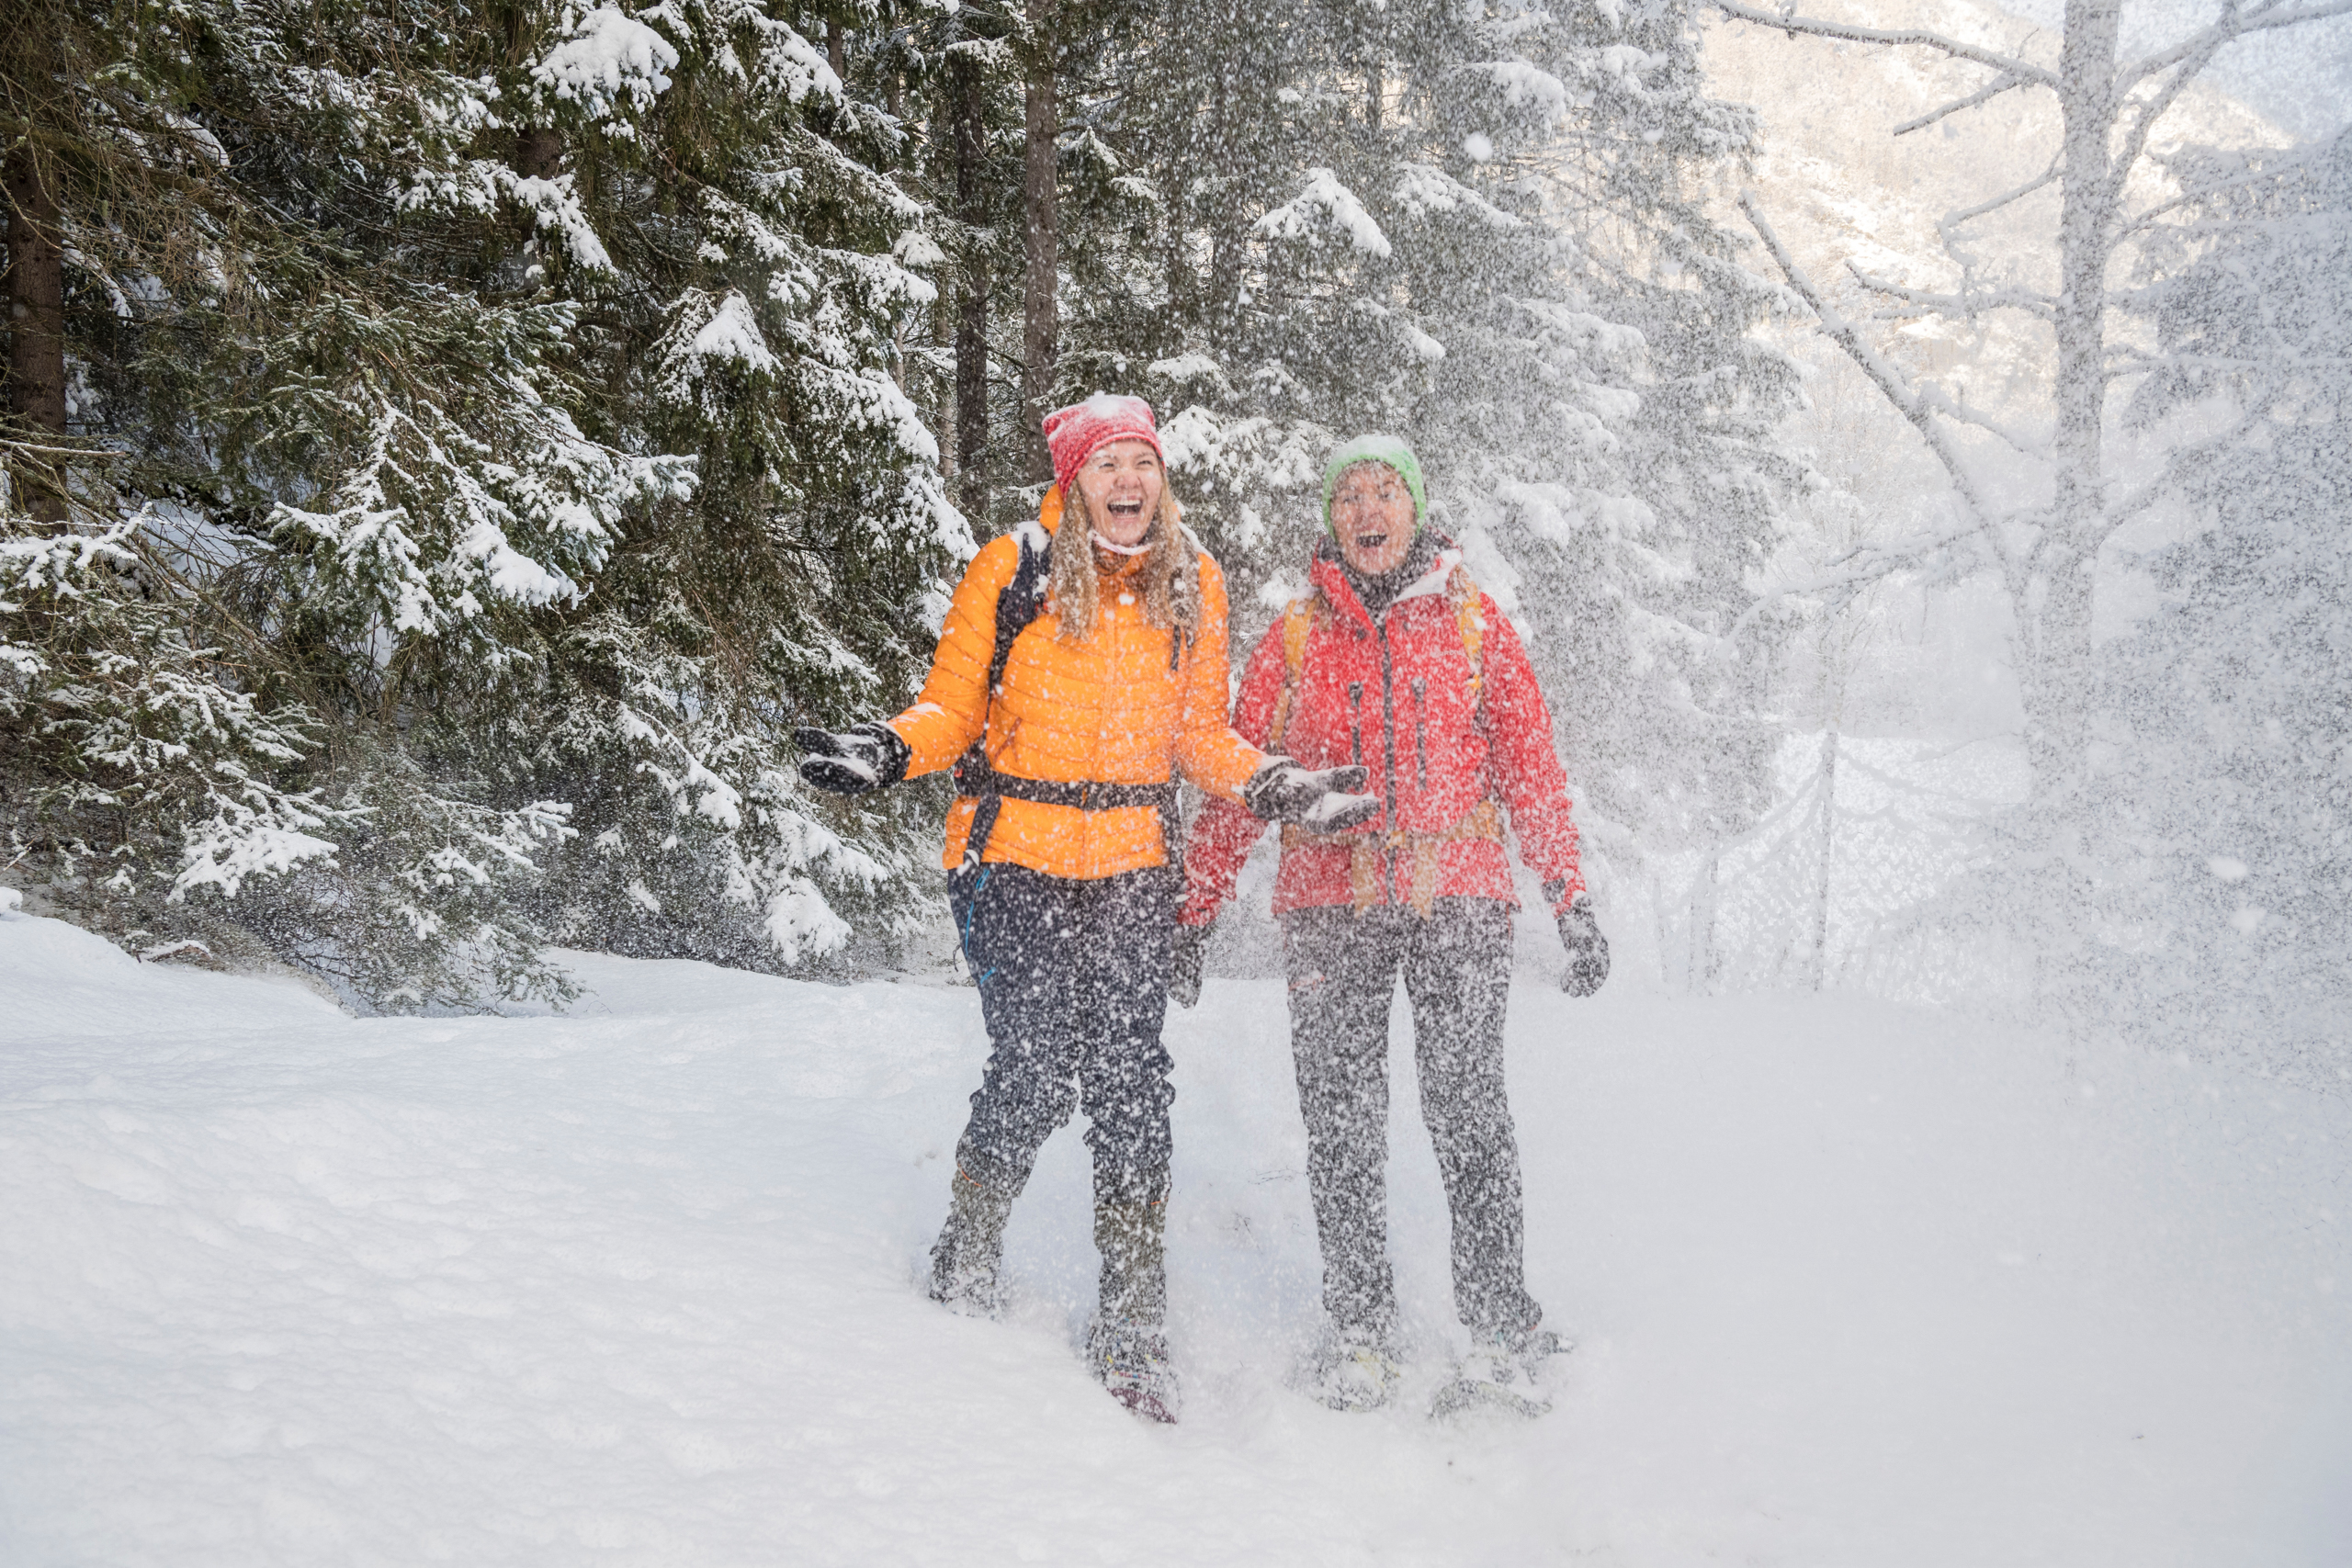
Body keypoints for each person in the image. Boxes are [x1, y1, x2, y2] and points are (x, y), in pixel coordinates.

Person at [795, 395, 1375, 1423]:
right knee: (1033, 1061)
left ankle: (1134, 1315)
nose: (1127, 481)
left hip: (1131, 865)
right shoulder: (1012, 568)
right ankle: (969, 1246)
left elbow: (1197, 737)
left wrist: (1273, 782)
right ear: (1074, 482)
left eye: (1141, 463)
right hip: (1011, 856)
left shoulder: (1192, 579)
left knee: (1130, 1079)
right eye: (1107, 464)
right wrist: (888, 749)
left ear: (1160, 479)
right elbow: (951, 710)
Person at [1172, 433, 1610, 1416]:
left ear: (1415, 507)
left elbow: (1531, 769)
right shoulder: (1294, 637)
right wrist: (1195, 910)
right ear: (1332, 519)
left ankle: (1500, 1325)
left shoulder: (1473, 623)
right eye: (1350, 496)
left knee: (1468, 1112)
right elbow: (1240, 780)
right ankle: (1361, 1330)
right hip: (1328, 905)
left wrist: (1569, 899)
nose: (1368, 509)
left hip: (1459, 894)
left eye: (1385, 491)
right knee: (1341, 1123)